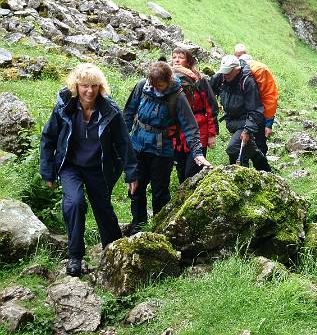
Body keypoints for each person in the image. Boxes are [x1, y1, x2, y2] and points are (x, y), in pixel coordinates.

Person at [40, 63, 138, 277]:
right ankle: (75, 256)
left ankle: (113, 251)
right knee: (74, 203)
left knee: (103, 208)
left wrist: (132, 172)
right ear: (76, 86)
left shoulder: (109, 110)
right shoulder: (64, 107)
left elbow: (124, 142)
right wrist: (47, 171)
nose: (89, 91)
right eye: (85, 85)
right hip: (71, 166)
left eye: (94, 85)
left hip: (99, 167)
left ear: (100, 87)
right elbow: (48, 137)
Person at [123, 61, 210, 235]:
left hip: (161, 152)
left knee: (160, 192)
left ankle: (158, 229)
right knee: (136, 187)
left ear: (169, 80)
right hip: (138, 147)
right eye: (154, 84)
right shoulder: (142, 87)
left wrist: (197, 153)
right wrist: (123, 142)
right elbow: (128, 113)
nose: (157, 88)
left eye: (160, 85)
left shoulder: (177, 97)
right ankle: (138, 225)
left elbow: (190, 127)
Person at [209, 55, 271, 172]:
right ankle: (266, 171)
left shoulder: (247, 82)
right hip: (232, 121)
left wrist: (247, 130)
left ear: (237, 70)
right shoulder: (222, 77)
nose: (225, 75)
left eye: (228, 72)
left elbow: (255, 110)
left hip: (245, 121)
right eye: (223, 72)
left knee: (233, 149)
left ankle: (236, 174)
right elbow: (207, 87)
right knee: (250, 149)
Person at [171, 47, 219, 183]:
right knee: (180, 169)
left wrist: (211, 134)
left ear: (188, 61)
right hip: (177, 132)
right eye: (174, 57)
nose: (177, 60)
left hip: (199, 129)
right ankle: (183, 197)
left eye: (180, 57)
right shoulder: (170, 79)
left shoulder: (199, 80)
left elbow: (210, 107)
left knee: (192, 171)